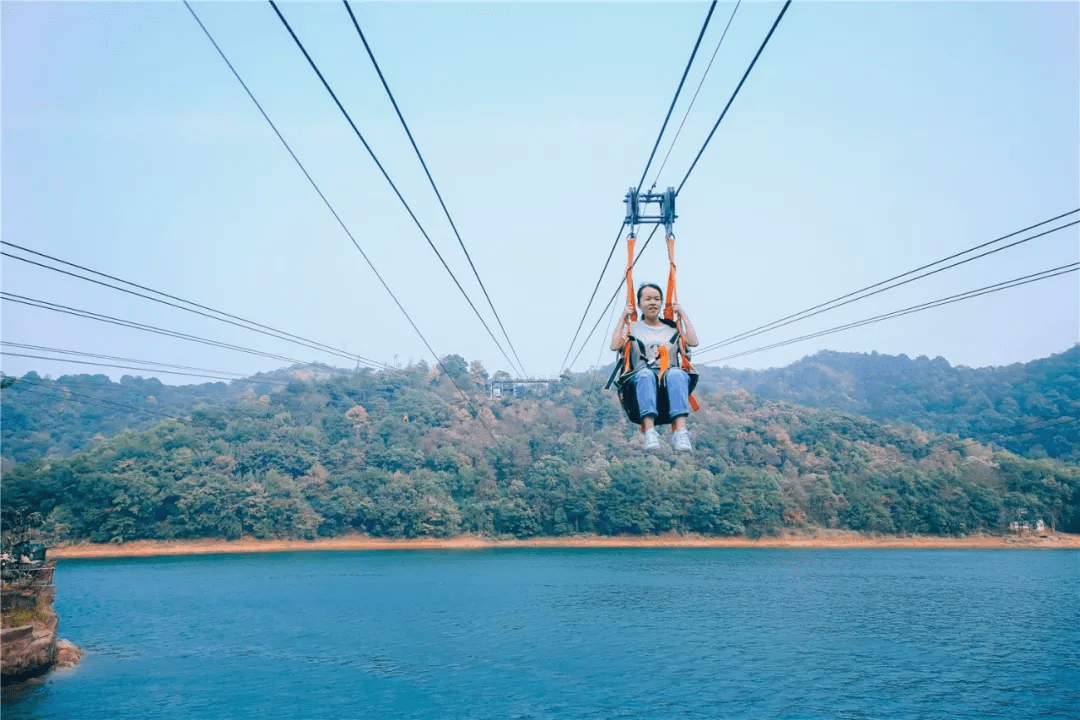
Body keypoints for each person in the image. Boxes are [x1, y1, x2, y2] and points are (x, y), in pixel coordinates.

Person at [610, 282, 699, 452]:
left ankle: (681, 432)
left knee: (677, 375)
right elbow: (615, 346)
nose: (653, 303)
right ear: (639, 304)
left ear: (661, 303)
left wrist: (682, 314)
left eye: (657, 299)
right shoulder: (632, 328)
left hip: (669, 378)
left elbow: (693, 342)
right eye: (648, 299)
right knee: (645, 375)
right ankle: (650, 431)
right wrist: (623, 318)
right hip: (640, 378)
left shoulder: (672, 328)